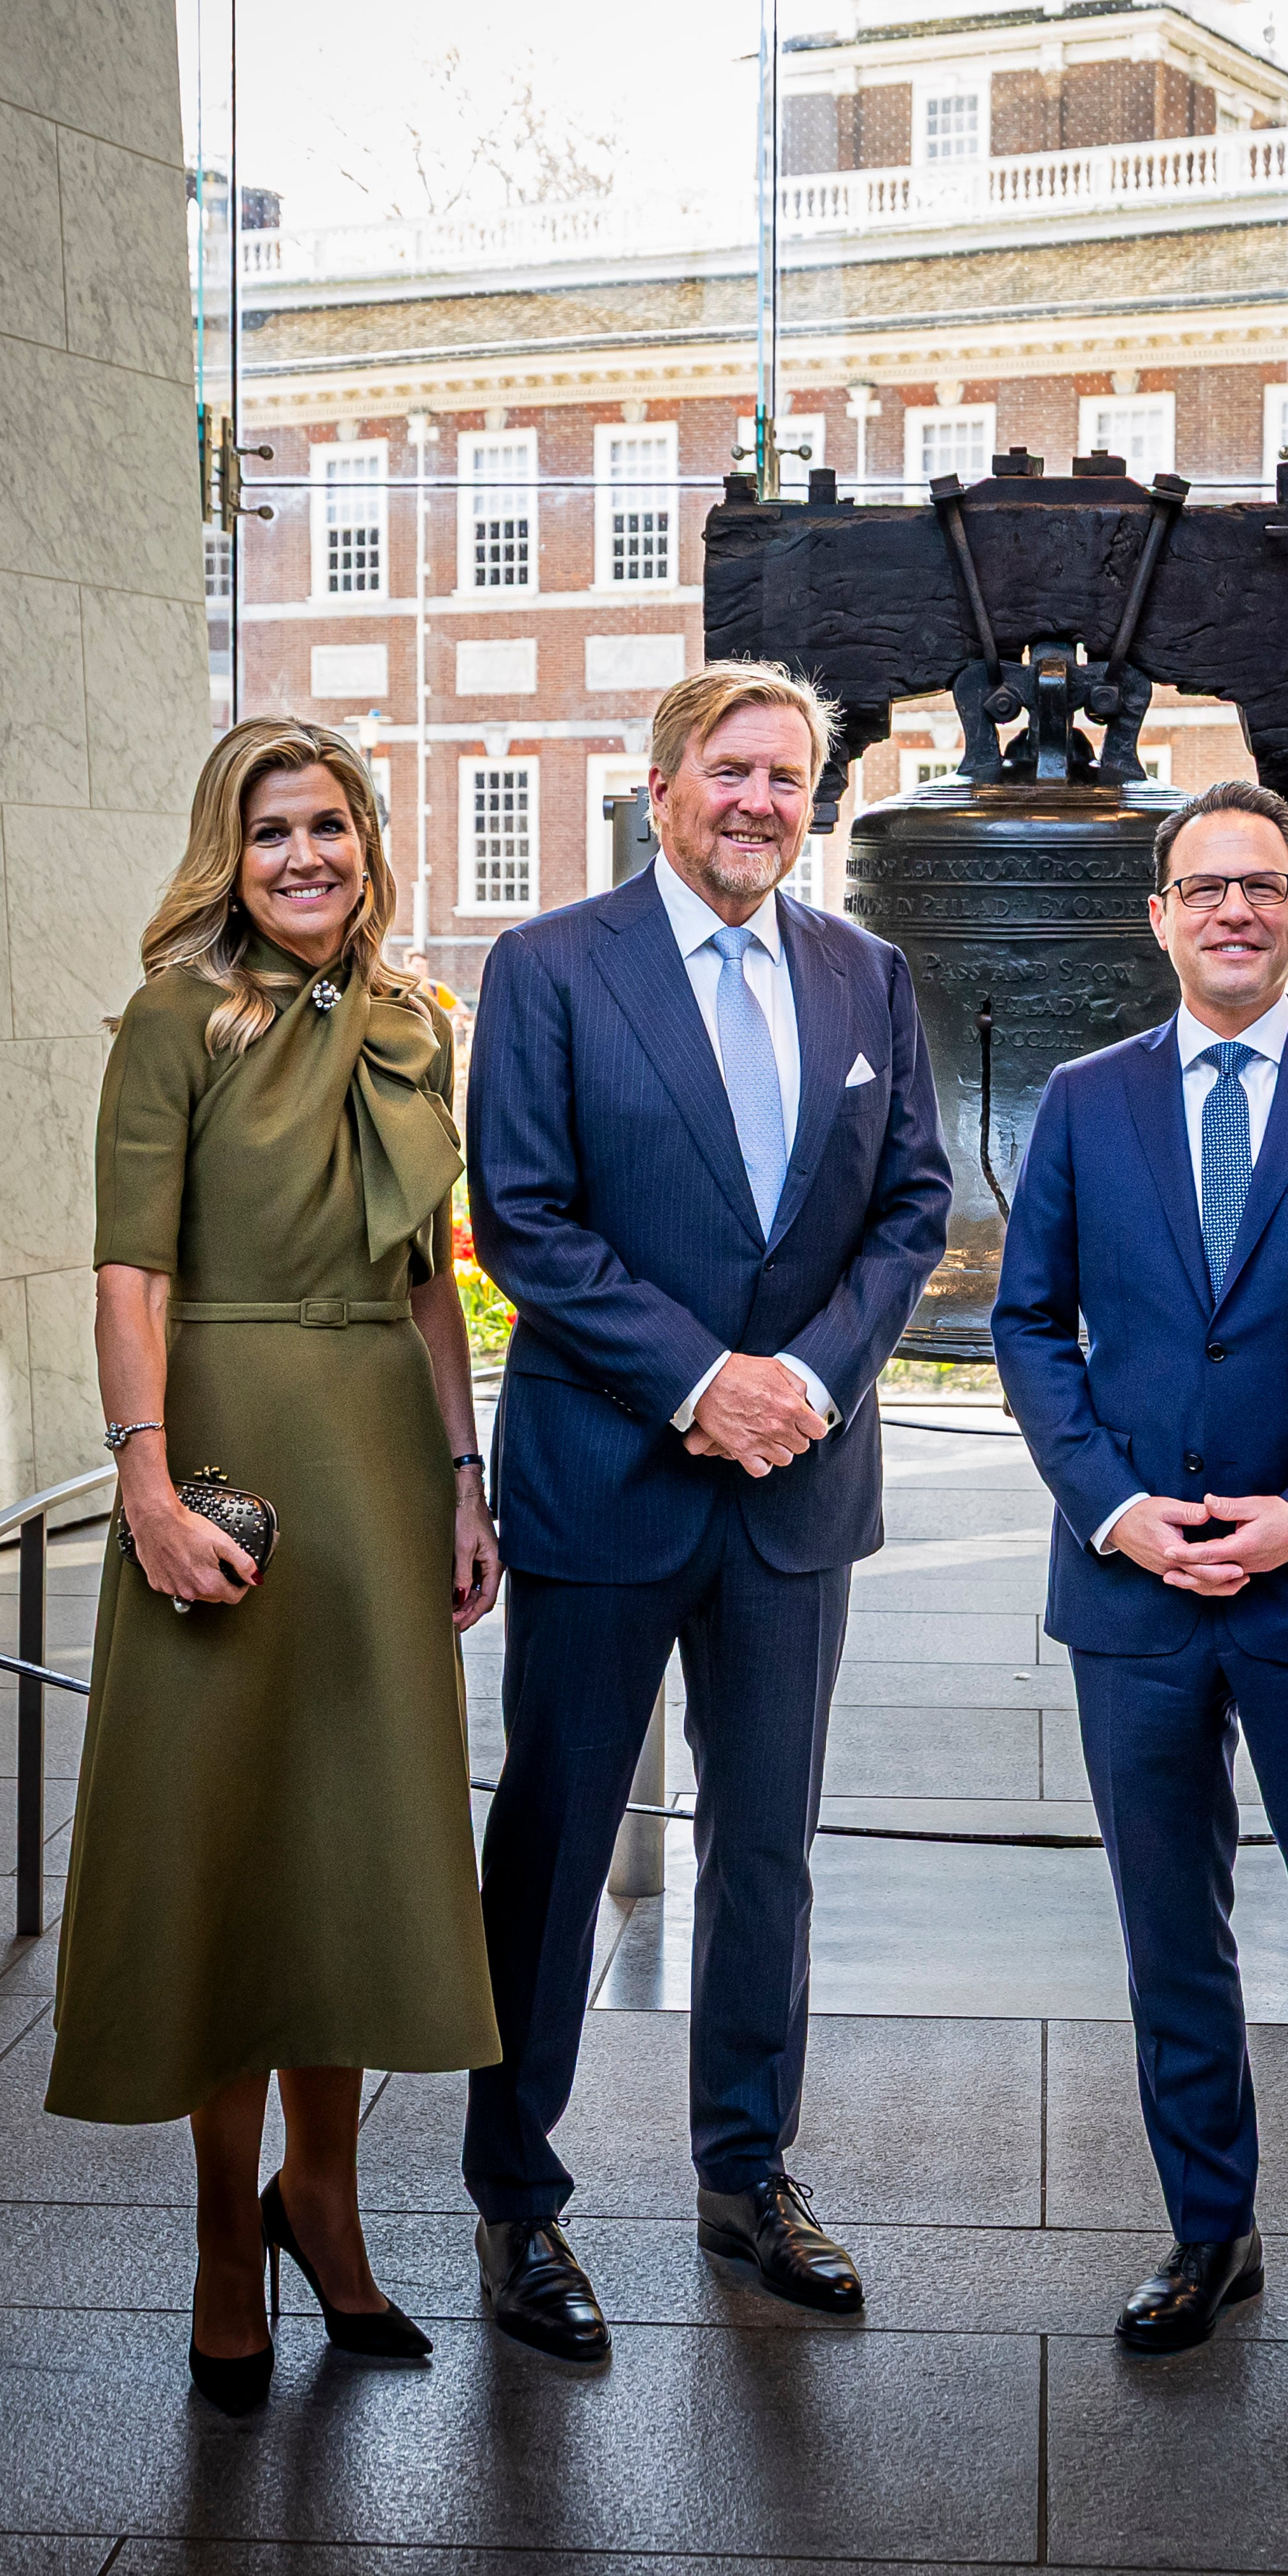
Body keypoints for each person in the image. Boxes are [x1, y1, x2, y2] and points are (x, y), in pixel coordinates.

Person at [463, 662, 951, 2359]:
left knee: (766, 1849)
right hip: (608, 1477)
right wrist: (702, 1381)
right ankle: (515, 2199)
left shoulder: (867, 975)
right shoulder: (547, 970)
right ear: (662, 782)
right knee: (552, 1845)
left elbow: (911, 1207)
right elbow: (521, 1217)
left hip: (793, 1491)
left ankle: (746, 2173)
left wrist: (804, 1382)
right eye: (729, 769)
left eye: (787, 777)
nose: (758, 800)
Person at [48, 719, 500, 2413]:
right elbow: (125, 1281)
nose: (304, 855)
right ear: (225, 856)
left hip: (381, 1470)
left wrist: (464, 1479)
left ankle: (325, 2196)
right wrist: (146, 1486)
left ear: (369, 839)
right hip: (226, 1459)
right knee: (229, 1855)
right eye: (269, 833)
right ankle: (224, 2244)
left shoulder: (409, 1022)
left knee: (355, 1849)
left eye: (328, 825)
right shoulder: (175, 1018)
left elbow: (421, 1283)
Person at [992, 780, 1288, 2385]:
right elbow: (1026, 1326)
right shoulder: (1082, 1098)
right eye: (1202, 889)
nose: (1233, 913)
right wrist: (1114, 1507)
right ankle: (1210, 2227)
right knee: (1168, 1933)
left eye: (1260, 886)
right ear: (1159, 916)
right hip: (1131, 1590)